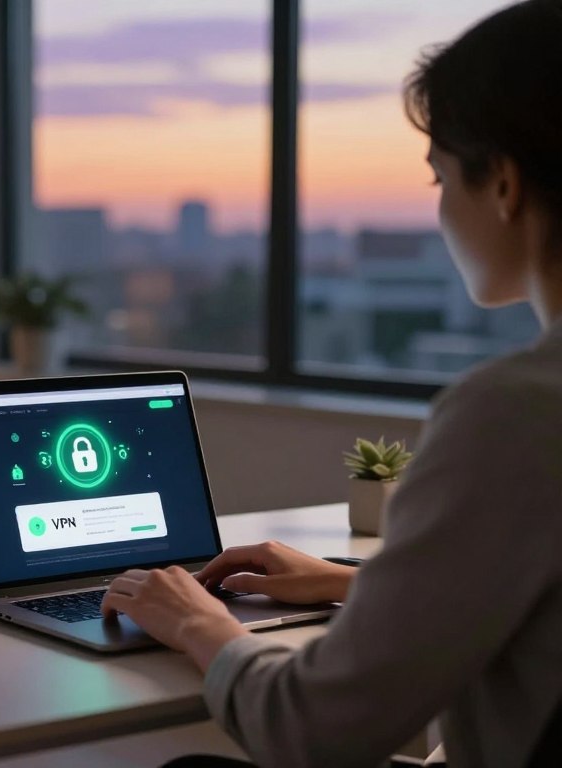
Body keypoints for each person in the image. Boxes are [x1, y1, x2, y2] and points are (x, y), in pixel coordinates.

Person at [100, 2, 562, 766]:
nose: (440, 208)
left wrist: (196, 622)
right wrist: (351, 583)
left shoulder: (516, 412)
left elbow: (311, 729)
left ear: (505, 185)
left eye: (440, 176)